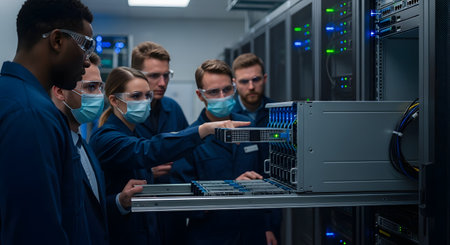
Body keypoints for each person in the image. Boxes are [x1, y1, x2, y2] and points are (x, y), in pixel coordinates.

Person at [89, 66, 249, 245]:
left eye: (147, 96)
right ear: (115, 101)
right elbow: (148, 149)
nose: (144, 101)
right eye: (135, 96)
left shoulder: (130, 133)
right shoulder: (107, 138)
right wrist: (204, 129)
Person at [0, 0, 95, 243]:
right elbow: (34, 231)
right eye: (85, 45)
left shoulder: (10, 94)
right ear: (57, 40)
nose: (87, 60)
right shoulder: (31, 114)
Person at [174, 59, 279, 245]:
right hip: (211, 235)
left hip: (252, 232)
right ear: (200, 95)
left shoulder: (249, 126)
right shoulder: (189, 139)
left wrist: (268, 226)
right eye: (214, 92)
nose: (222, 96)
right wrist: (229, 189)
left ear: (233, 87)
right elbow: (183, 202)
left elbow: (269, 177)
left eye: (227, 89)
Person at [50, 53, 147, 245]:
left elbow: (93, 211)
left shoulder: (83, 145)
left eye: (99, 87)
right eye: (90, 87)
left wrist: (120, 201)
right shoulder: (52, 148)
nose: (97, 95)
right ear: (60, 91)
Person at [131, 42, 188, 244]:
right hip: (139, 213)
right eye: (154, 76)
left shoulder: (173, 109)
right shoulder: (126, 114)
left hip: (173, 209)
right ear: (136, 75)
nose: (163, 83)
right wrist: (148, 172)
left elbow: (188, 155)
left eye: (166, 75)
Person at [231, 53, 281, 242]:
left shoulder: (279, 113)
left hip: (273, 210)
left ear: (265, 79)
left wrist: (269, 225)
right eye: (244, 82)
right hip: (236, 213)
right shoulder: (227, 116)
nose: (251, 87)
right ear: (235, 83)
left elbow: (279, 177)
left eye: (256, 80)